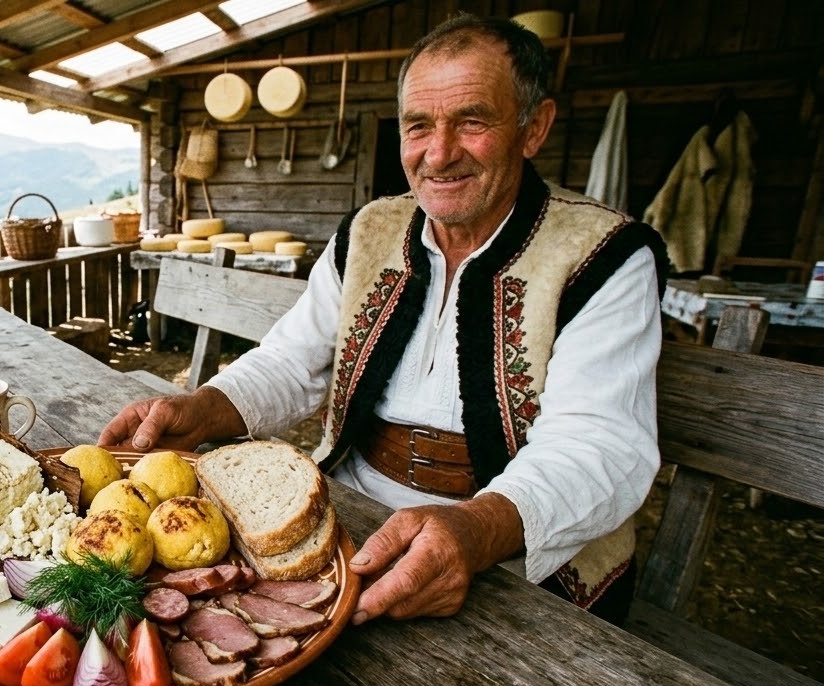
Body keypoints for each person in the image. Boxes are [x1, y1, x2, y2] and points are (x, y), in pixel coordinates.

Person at [101, 14, 667, 627]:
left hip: (519, 550)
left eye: (472, 121)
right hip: (356, 517)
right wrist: (205, 407)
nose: (439, 153)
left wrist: (476, 531)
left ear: (534, 129)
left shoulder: (604, 254)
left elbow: (597, 445)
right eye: (418, 126)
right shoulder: (370, 231)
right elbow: (294, 360)